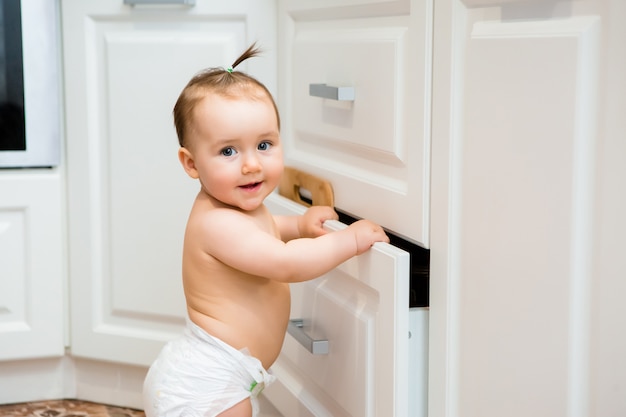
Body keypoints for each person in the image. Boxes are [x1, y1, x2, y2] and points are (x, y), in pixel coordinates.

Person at [143, 43, 389, 417]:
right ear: (191, 163)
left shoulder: (234, 209)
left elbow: (266, 230)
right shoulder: (216, 222)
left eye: (264, 144)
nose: (252, 165)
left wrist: (298, 225)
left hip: (223, 372)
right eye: (229, 151)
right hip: (205, 384)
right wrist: (350, 240)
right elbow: (285, 264)